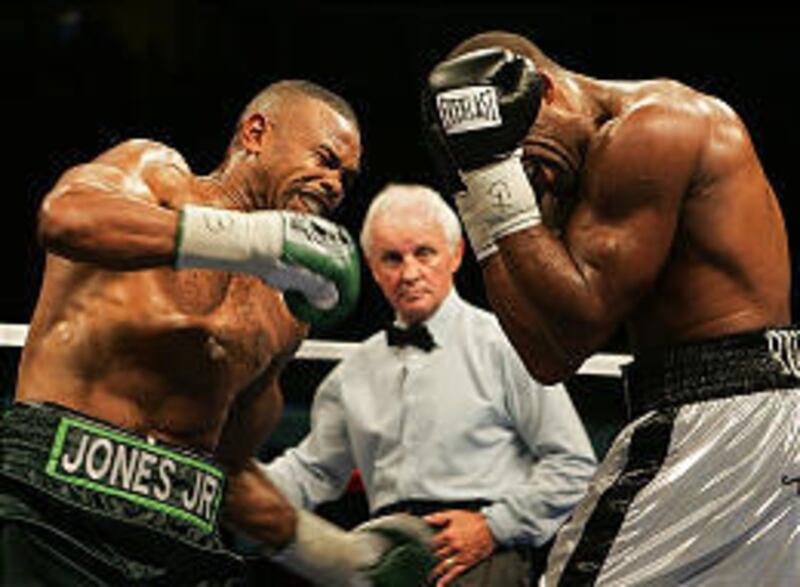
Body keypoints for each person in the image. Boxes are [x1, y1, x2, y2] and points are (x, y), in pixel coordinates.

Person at [0, 79, 431, 586]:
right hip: (54, 511)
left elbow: (228, 467)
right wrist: (253, 240)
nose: (335, 183)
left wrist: (342, 558)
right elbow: (65, 218)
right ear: (255, 133)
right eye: (325, 159)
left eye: (347, 178)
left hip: (182, 546)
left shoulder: (287, 313)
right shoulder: (154, 177)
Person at [423, 31, 799, 585]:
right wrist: (482, 195)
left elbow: (581, 316)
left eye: (517, 152)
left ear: (543, 91)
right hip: (755, 413)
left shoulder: (652, 127)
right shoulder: (571, 178)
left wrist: (493, 172)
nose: (523, 177)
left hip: (718, 414)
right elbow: (548, 358)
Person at [244, 183, 597, 586]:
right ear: (373, 269)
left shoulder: (506, 344)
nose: (409, 273)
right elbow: (312, 472)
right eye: (392, 259)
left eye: (423, 253)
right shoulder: (353, 373)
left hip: (482, 561)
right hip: (383, 558)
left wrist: (493, 526)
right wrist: (227, 483)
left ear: (455, 254)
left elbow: (573, 465)